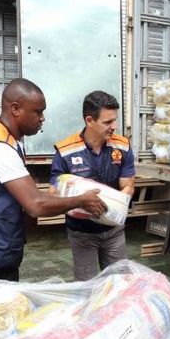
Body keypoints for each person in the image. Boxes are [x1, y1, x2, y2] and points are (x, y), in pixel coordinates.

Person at [0, 78, 107, 281]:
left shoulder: (10, 142)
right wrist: (82, 200)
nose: (43, 118)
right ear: (15, 109)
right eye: (38, 112)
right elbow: (35, 204)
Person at [49, 90, 135, 281]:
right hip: (82, 233)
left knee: (119, 284)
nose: (115, 126)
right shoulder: (66, 151)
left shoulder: (123, 146)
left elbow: (128, 185)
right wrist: (81, 202)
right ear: (89, 121)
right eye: (108, 122)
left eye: (115, 120)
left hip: (114, 232)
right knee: (85, 287)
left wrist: (115, 209)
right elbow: (54, 193)